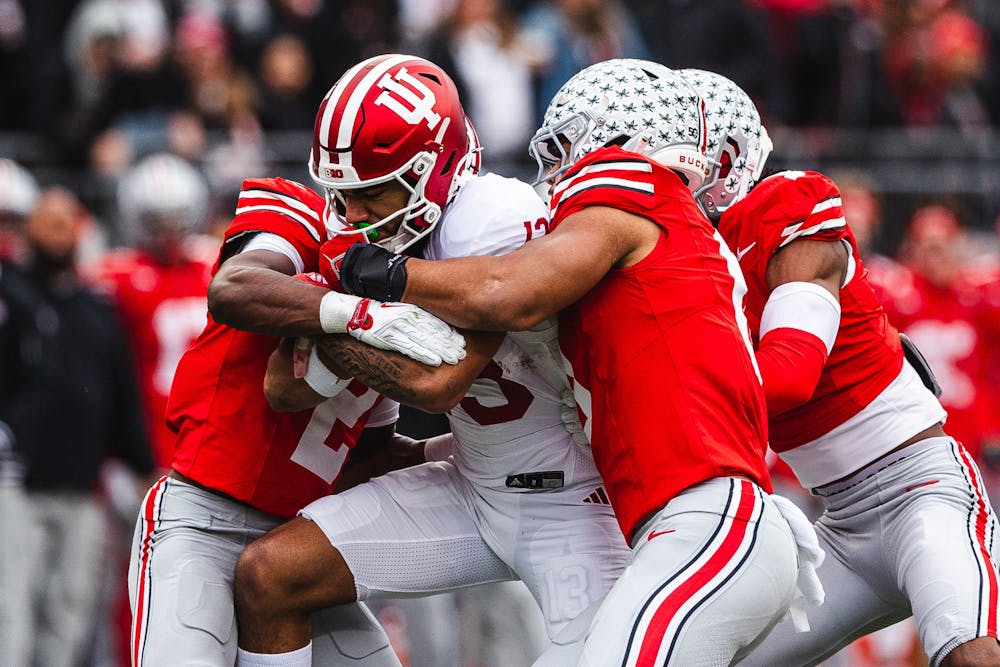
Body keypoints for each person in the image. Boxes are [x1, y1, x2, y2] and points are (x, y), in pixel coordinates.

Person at [325, 57, 813, 666]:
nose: (553, 173)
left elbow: (514, 291)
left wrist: (391, 274)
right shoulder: (670, 253)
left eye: (564, 147)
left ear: (616, 140)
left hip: (707, 525)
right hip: (686, 525)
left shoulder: (626, 188)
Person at [230, 53, 631, 667]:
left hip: (565, 499)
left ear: (436, 168)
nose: (353, 211)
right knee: (267, 575)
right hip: (471, 483)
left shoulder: (491, 217)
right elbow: (282, 388)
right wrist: (356, 318)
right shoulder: (374, 236)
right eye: (342, 191)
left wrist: (347, 321)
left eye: (371, 192)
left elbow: (439, 383)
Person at [676, 68, 1000, 667]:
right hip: (835, 530)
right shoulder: (677, 264)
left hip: (919, 491)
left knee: (966, 651)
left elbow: (790, 374)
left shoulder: (783, 206)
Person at [126, 154, 467, 664]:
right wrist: (354, 314)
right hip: (201, 520)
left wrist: (453, 450)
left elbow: (362, 460)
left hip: (295, 544)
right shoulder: (302, 221)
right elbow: (233, 288)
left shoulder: (406, 302)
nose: (357, 211)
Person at [1, 187, 157, 667]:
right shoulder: (12, 296)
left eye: (65, 222)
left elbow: (120, 394)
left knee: (70, 611)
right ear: (28, 230)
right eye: (47, 222)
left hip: (81, 482)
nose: (57, 232)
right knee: (11, 608)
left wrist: (140, 463)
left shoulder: (96, 310)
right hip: (15, 482)